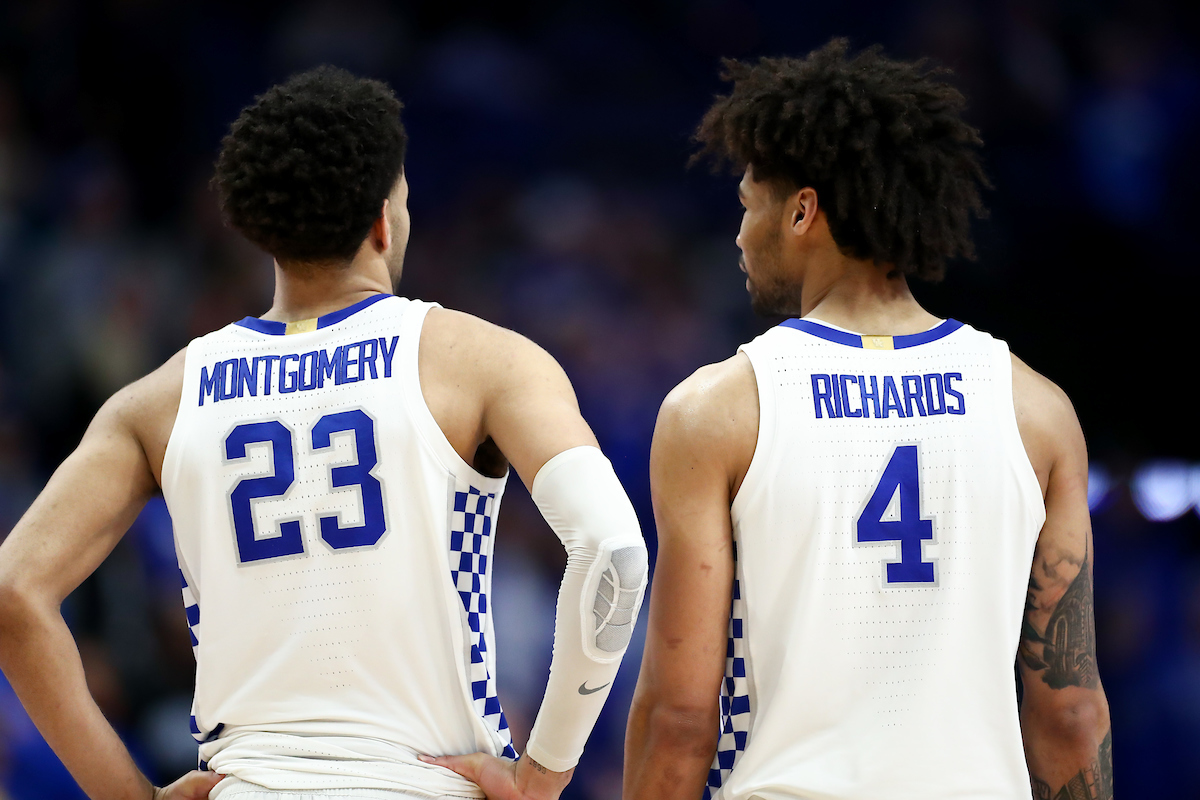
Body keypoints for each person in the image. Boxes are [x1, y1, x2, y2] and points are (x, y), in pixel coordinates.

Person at [0, 66, 647, 800]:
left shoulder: (155, 400)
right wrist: (544, 773)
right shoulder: (482, 360)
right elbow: (615, 556)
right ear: (381, 220)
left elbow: (15, 592)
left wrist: (130, 795)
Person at [623, 39, 1111, 800]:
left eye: (749, 206)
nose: (741, 235)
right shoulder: (1038, 411)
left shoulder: (719, 410)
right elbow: (1072, 712)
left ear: (802, 212)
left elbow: (682, 719)